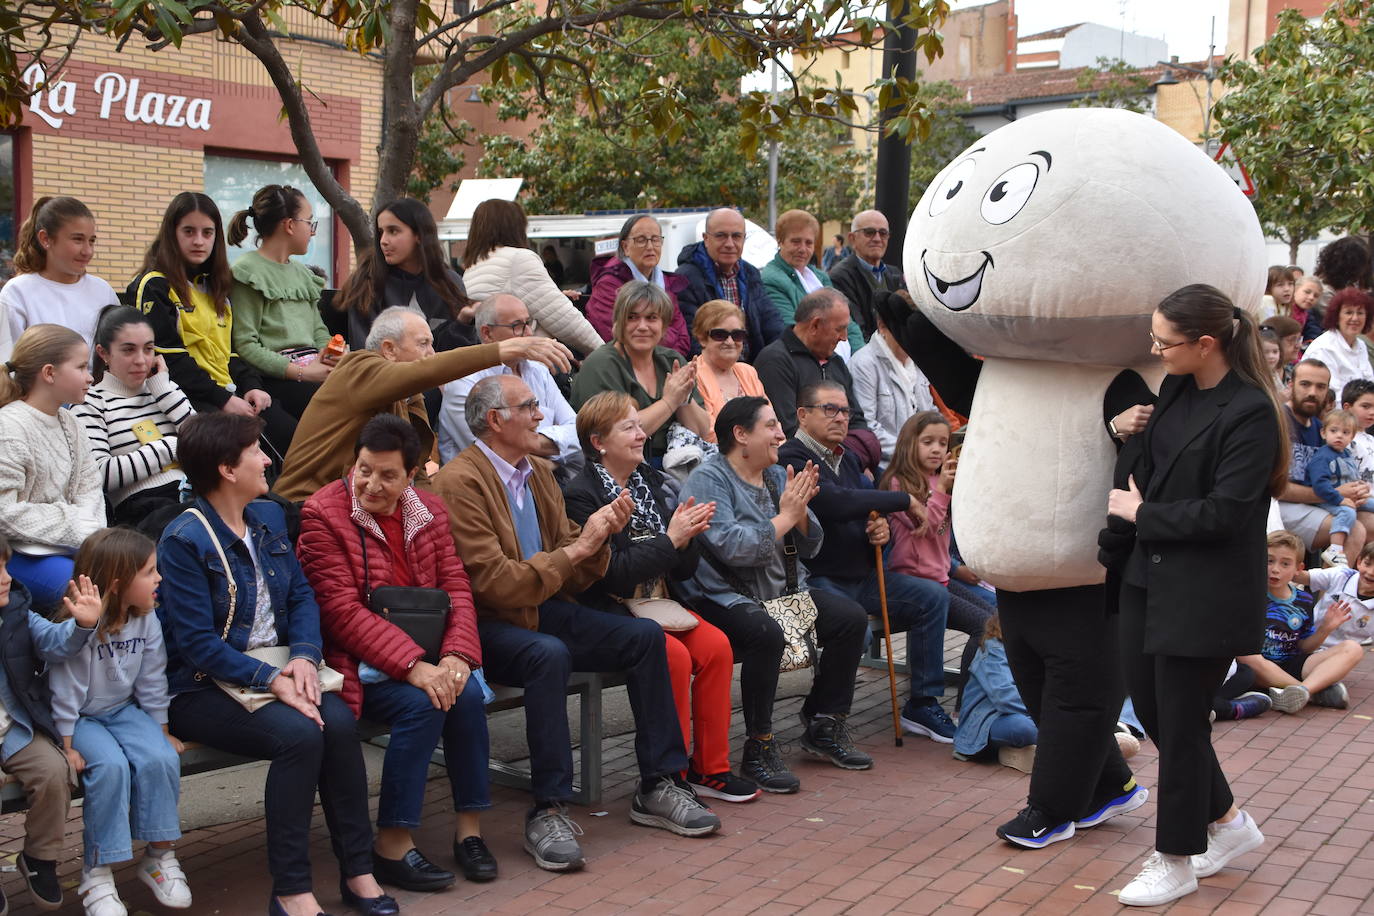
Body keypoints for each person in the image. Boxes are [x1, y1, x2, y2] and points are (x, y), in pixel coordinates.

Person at [433, 375, 720, 872]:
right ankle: (547, 808)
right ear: (497, 420)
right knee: (549, 653)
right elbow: (496, 584)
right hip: (485, 623)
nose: (542, 416)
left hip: (541, 606)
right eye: (529, 407)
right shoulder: (459, 480)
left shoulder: (539, 472)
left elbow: (575, 548)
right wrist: (582, 548)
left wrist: (602, 537)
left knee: (644, 637)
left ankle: (658, 782)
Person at [157, 412, 395, 916]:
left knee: (338, 724)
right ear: (226, 468)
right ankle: (290, 890)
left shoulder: (266, 517)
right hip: (202, 687)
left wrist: (307, 659)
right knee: (301, 736)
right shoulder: (183, 540)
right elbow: (198, 645)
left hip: (279, 670)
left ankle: (358, 871)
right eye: (254, 452)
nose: (267, 459)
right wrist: (272, 678)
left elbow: (304, 599)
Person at [1104, 284, 1282, 906]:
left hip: (1204, 591)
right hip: (1145, 576)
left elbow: (1228, 514)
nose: (1155, 349)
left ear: (1206, 344)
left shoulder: (1252, 410)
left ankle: (1175, 858)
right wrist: (1119, 427)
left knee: (1180, 727)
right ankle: (1229, 824)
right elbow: (1150, 455)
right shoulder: (1177, 385)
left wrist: (1142, 513)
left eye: (1165, 341)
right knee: (1156, 716)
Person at [298, 415, 495, 889]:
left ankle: (469, 831)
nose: (372, 484)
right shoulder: (322, 513)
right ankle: (392, 842)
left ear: (413, 475)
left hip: (425, 654)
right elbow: (338, 612)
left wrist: (456, 656)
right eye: (365, 469)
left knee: (463, 694)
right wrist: (413, 667)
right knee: (425, 702)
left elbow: (456, 588)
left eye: (389, 475)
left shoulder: (429, 511)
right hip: (353, 662)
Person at [564, 391, 758, 803]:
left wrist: (686, 541)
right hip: (614, 610)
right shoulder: (581, 494)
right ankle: (675, 772)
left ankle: (712, 768)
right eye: (629, 428)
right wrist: (672, 540)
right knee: (674, 656)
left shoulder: (651, 482)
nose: (641, 435)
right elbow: (611, 576)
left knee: (718, 647)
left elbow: (682, 570)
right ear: (598, 442)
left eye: (639, 425)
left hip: (663, 604)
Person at [680, 397, 871, 792]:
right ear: (740, 434)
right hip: (723, 597)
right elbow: (735, 549)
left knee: (850, 619)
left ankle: (823, 723)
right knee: (766, 634)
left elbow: (813, 543)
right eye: (770, 426)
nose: (781, 434)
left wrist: (798, 511)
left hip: (785, 591)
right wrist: (785, 516)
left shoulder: (777, 474)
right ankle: (759, 746)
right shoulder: (708, 479)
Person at [778, 383, 956, 742]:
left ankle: (922, 702)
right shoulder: (793, 457)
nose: (841, 418)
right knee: (853, 625)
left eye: (844, 411)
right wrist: (903, 499)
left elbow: (859, 510)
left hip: (863, 576)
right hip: (819, 579)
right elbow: (836, 503)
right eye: (830, 409)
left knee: (932, 598)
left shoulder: (847, 459)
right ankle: (821, 715)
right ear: (803, 415)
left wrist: (876, 529)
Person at [274, 305, 571, 502]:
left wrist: (435, 516)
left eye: (432, 344)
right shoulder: (357, 366)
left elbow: (417, 473)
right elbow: (425, 371)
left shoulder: (408, 394)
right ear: (388, 349)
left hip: (363, 510)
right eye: (423, 344)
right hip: (304, 508)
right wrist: (501, 350)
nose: (432, 353)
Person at [47, 528, 191, 915]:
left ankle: (158, 856)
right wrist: (66, 743)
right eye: (149, 571)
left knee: (161, 758)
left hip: (122, 709)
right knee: (110, 767)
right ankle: (97, 871)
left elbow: (151, 676)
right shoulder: (80, 627)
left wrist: (159, 728)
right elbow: (65, 690)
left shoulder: (146, 618)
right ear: (117, 582)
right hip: (79, 719)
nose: (158, 578)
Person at [128, 193, 292, 451]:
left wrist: (250, 387)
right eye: (189, 231)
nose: (198, 241)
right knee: (244, 452)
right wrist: (223, 399)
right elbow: (168, 359)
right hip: (183, 400)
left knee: (290, 434)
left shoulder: (216, 287)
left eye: (207, 232)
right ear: (172, 234)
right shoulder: (154, 285)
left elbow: (229, 353)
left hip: (226, 394)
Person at [0, 533, 101, 912]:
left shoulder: (17, 608)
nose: (6, 576)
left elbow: (53, 642)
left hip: (14, 727)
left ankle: (39, 857)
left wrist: (81, 626)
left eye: (6, 565)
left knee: (54, 772)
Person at [882, 411, 997, 691]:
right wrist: (943, 489)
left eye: (943, 443)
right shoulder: (898, 484)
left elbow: (944, 538)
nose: (937, 449)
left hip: (941, 578)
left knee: (997, 621)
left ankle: (973, 701)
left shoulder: (939, 481)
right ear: (910, 444)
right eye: (928, 442)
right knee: (984, 626)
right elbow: (926, 528)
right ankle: (962, 706)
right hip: (913, 580)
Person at [0, 324, 103, 608]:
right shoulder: (9, 426)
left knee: (138, 578)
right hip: (20, 553)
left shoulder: (72, 423)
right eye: (81, 367)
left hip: (76, 543)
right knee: (90, 596)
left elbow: (90, 487)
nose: (90, 377)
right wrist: (74, 523)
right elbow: (4, 512)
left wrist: (91, 535)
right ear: (49, 373)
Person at [73, 307, 194, 536]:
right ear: (103, 353)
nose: (141, 360)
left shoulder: (165, 389)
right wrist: (171, 446)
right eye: (129, 350)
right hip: (144, 508)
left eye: (148, 349)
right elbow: (99, 474)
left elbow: (206, 443)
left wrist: (163, 389)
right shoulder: (90, 401)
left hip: (194, 492)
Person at [227, 185, 338, 423]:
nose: (313, 231)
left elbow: (317, 328)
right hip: (278, 378)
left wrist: (329, 354)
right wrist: (302, 373)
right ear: (289, 225)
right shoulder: (247, 272)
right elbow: (246, 344)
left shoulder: (302, 274)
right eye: (310, 222)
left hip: (313, 369)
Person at [436, 295, 579, 475]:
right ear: (487, 333)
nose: (528, 333)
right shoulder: (465, 382)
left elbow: (576, 430)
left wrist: (524, 443)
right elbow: (495, 454)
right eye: (517, 326)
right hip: (482, 491)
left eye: (529, 323)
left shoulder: (538, 370)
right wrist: (555, 458)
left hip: (545, 483)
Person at [569, 282, 712, 462]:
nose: (642, 326)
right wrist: (669, 401)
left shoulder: (671, 360)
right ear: (618, 322)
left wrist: (683, 398)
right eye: (632, 317)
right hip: (619, 469)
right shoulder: (600, 365)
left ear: (664, 325)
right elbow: (614, 434)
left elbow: (700, 430)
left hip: (675, 463)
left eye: (652, 318)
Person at [1235, 531, 1362, 714]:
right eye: (1269, 561)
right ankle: (1311, 692)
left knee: (1353, 648)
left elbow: (1304, 647)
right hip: (1258, 668)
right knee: (1246, 655)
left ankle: (1302, 691)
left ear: (1298, 568)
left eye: (1285, 563)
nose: (1275, 569)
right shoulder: (1249, 594)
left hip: (1291, 664)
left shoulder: (1304, 600)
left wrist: (1326, 628)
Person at [333, 198, 476, 356]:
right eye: (381, 232)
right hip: (384, 377)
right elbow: (365, 352)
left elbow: (456, 356)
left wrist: (463, 323)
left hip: (441, 376)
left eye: (393, 231)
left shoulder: (449, 283)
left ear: (419, 235)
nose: (383, 241)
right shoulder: (366, 282)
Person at [459, 200, 603, 356]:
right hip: (529, 360)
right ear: (516, 227)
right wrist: (606, 354)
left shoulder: (473, 265)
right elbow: (563, 318)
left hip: (492, 357)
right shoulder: (518, 259)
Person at [754, 288, 882, 454]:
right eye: (839, 329)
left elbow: (857, 420)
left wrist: (856, 458)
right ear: (814, 325)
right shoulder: (775, 362)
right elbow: (789, 429)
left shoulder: (836, 362)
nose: (844, 337)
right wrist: (843, 457)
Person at [0, 196, 116, 362]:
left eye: (91, 241)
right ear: (45, 239)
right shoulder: (18, 293)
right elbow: (7, 365)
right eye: (78, 239)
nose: (87, 251)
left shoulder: (103, 291)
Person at [1275, 359, 1372, 559]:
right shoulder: (1277, 421)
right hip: (1277, 505)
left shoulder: (1324, 429)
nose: (1312, 392)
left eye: (1320, 387)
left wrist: (1355, 490)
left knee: (1370, 522)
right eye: (1305, 384)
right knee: (1354, 530)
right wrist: (1336, 494)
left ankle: (1351, 587)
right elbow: (1275, 488)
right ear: (1291, 385)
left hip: (1316, 501)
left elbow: (1336, 474)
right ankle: (1334, 590)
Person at [674, 208, 783, 359]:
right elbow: (690, 338)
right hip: (709, 370)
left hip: (752, 370)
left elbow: (772, 323)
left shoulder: (750, 273)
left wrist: (778, 357)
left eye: (736, 236)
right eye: (721, 236)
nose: (730, 244)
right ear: (706, 239)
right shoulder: (686, 278)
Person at [849, 290, 937, 465]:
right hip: (887, 467)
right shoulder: (863, 364)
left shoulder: (919, 360)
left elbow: (929, 411)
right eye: (904, 330)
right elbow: (867, 426)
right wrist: (913, 452)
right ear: (882, 326)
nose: (912, 337)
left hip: (924, 462)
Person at [584, 215, 691, 355]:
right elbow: (618, 338)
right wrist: (666, 337)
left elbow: (683, 340)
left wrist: (665, 357)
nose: (650, 246)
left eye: (655, 239)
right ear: (625, 247)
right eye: (641, 240)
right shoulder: (608, 284)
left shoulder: (665, 282)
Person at [760, 209, 862, 354]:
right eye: (796, 241)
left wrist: (859, 358)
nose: (803, 249)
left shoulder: (820, 276)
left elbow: (848, 323)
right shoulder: (772, 279)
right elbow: (792, 332)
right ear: (780, 241)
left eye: (809, 243)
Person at [952, 615, 1037, 773]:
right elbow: (1005, 698)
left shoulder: (1031, 648)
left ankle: (1016, 750)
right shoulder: (995, 650)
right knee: (1026, 728)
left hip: (1023, 713)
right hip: (986, 724)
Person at [1305, 408, 1374, 566]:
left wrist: (1360, 488)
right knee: (1347, 512)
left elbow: (1352, 476)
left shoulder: (1346, 454)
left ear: (1352, 436)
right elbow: (1319, 485)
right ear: (1324, 433)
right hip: (1328, 498)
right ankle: (1335, 549)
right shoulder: (1323, 456)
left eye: (1345, 432)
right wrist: (1340, 499)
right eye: (1334, 431)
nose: (1339, 436)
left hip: (1346, 496)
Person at [690, 299, 769, 432]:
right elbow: (710, 433)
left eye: (737, 335)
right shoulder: (692, 374)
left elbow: (770, 421)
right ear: (702, 338)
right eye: (720, 335)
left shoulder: (748, 371)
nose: (730, 341)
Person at [826, 209, 904, 341]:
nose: (877, 239)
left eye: (883, 233)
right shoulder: (841, 276)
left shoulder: (894, 273)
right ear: (852, 238)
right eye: (869, 232)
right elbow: (856, 330)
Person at [1302, 287, 1374, 401]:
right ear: (1336, 316)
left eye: (1360, 313)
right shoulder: (1324, 349)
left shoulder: (1361, 345)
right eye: (1348, 312)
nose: (1355, 318)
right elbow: (1332, 398)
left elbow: (1370, 384)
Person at [1340, 378, 1374, 478]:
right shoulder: (1341, 440)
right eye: (1366, 406)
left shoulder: (1371, 439)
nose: (1372, 412)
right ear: (1347, 408)